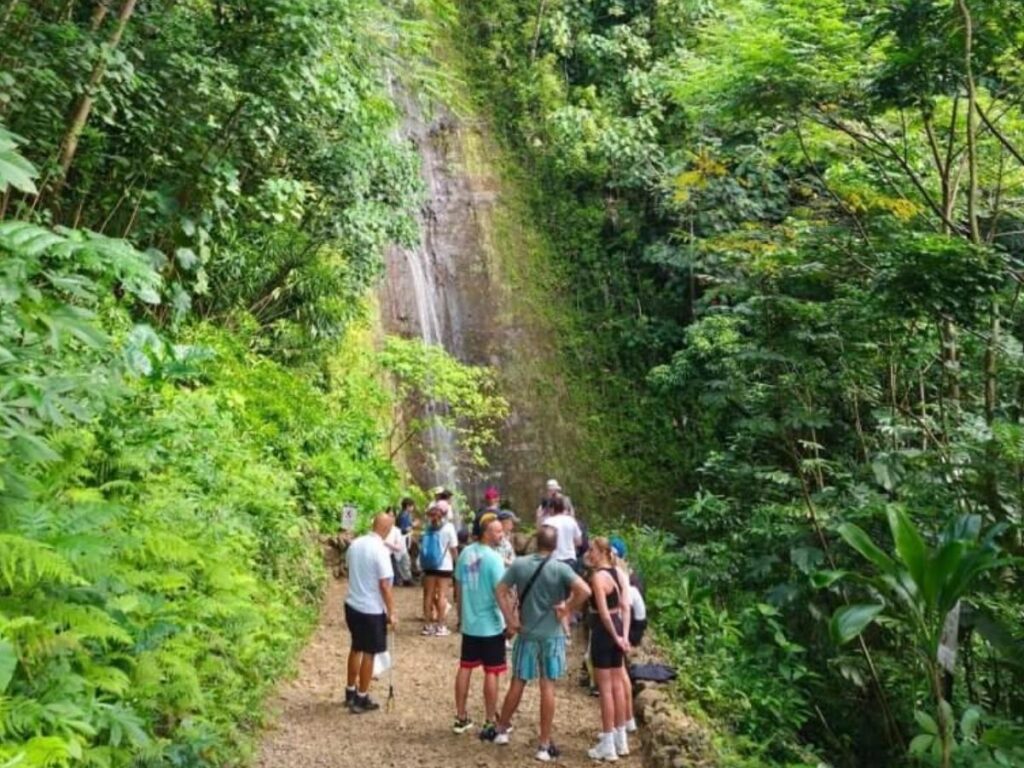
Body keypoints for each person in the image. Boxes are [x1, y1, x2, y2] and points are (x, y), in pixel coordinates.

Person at [487, 527, 592, 761]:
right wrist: (567, 607)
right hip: (552, 635)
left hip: (526, 633)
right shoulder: (560, 568)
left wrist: (510, 619)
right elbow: (585, 590)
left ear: (536, 542)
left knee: (518, 681)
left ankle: (501, 730)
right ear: (555, 546)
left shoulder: (520, 565)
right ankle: (544, 745)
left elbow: (500, 590)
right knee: (548, 686)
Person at [452, 515, 507, 735]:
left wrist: (461, 615)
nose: (501, 534)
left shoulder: (465, 553)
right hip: (490, 625)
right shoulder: (494, 559)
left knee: (465, 667)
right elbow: (501, 593)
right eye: (497, 531)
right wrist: (510, 621)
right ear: (486, 533)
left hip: (470, 624)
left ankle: (460, 716)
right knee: (492, 672)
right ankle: (490, 720)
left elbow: (458, 587)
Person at [344, 513, 397, 714]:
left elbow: (349, 569)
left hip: (352, 604)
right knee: (369, 652)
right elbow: (385, 585)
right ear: (387, 529)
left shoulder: (355, 544)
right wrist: (392, 611)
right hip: (371, 609)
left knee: (356, 647)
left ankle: (350, 691)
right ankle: (362, 697)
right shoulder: (380, 550)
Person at [585, 537, 632, 760]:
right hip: (619, 628)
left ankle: (608, 743)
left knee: (605, 689)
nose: (589, 554)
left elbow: (603, 614)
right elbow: (625, 606)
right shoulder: (619, 573)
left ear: (602, 552)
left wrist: (614, 635)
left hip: (604, 633)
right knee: (618, 686)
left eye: (592, 550)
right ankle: (621, 739)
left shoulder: (598, 577)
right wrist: (624, 636)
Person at [610, 536, 642, 734]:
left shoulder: (620, 577)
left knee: (620, 676)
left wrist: (622, 635)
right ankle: (627, 719)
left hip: (624, 628)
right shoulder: (624, 575)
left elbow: (625, 608)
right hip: (627, 627)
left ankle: (625, 720)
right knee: (620, 675)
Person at [420, 503, 459, 636]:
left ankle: (427, 626)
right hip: (444, 565)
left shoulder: (428, 528)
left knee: (428, 595)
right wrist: (457, 562)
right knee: (442, 595)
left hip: (429, 565)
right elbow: (453, 548)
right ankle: (440, 626)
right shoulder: (449, 527)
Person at [383, 510, 413, 587]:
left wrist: (387, 543)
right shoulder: (381, 529)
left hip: (391, 555)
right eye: (388, 515)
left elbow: (398, 547)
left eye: (392, 516)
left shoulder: (396, 531)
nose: (390, 518)